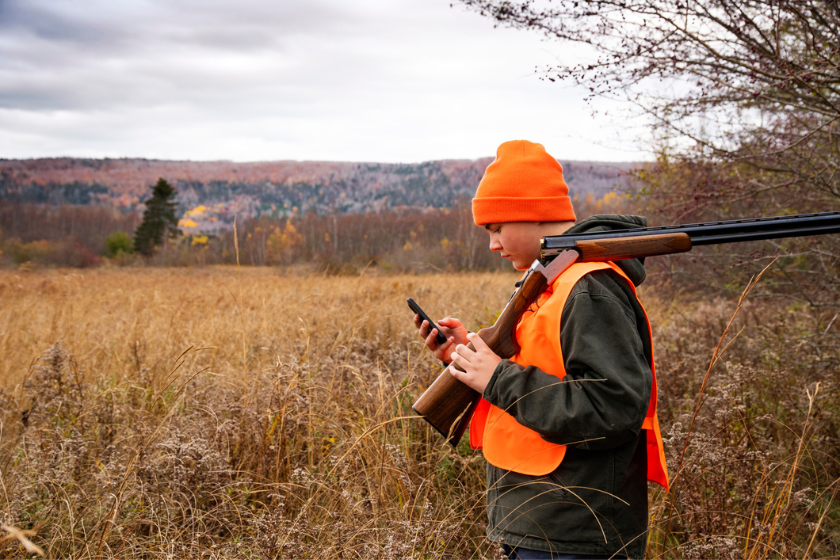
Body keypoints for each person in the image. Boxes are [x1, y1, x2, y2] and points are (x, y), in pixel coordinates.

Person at [414, 140, 669, 560]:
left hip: (574, 533)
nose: (493, 245)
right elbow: (543, 364)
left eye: (496, 228)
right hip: (540, 520)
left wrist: (496, 376)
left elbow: (613, 407)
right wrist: (467, 357)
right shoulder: (553, 280)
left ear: (532, 213)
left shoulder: (588, 287)